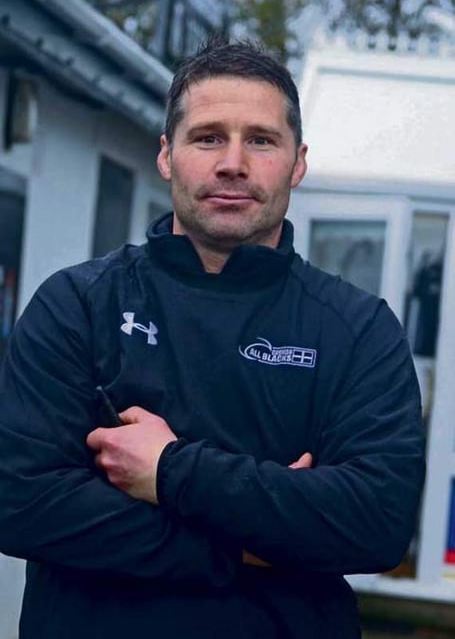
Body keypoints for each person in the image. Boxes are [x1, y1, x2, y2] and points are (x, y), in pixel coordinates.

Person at [0, 39, 425, 639]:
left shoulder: (356, 329)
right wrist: (251, 544)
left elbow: (377, 523)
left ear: (298, 162)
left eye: (261, 140)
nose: (232, 163)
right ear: (167, 155)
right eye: (207, 137)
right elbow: (22, 503)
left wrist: (169, 470)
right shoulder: (79, 306)